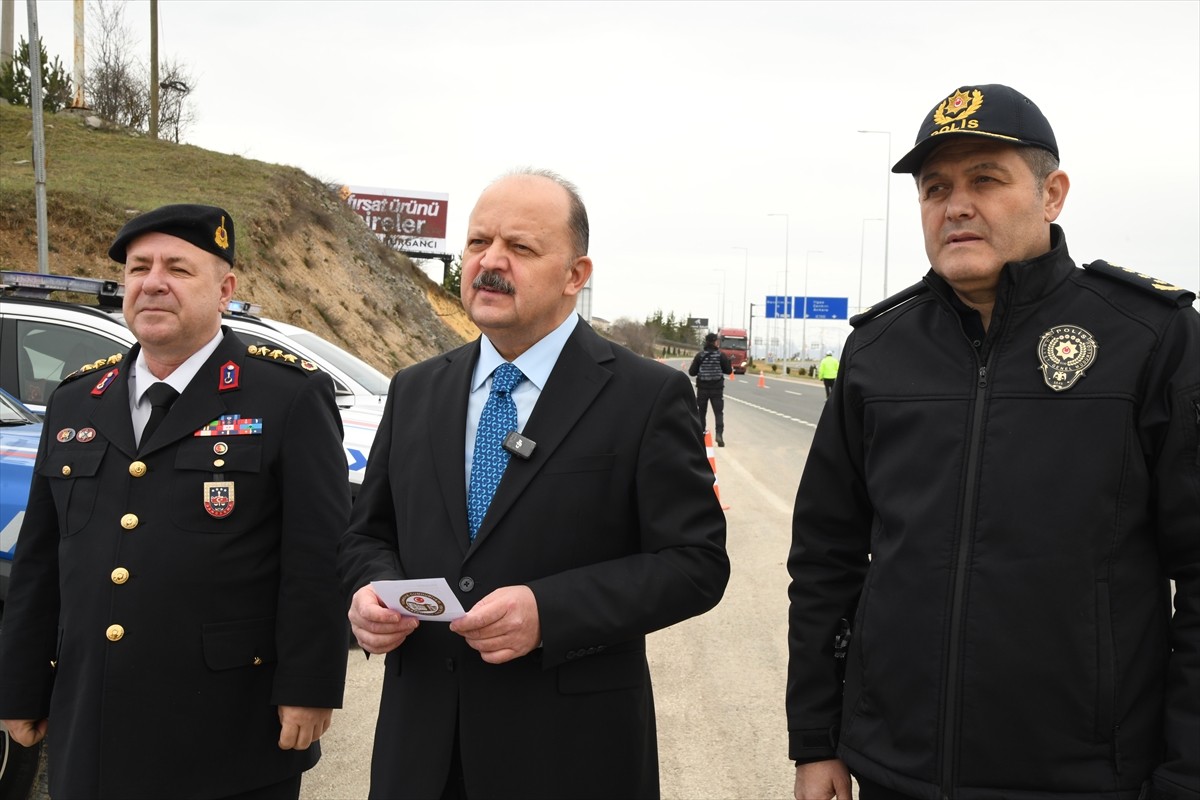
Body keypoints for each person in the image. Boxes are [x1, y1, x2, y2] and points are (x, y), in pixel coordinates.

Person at [787, 84, 1199, 800]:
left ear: (1052, 194)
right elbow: (826, 557)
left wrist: (1186, 775)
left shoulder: (1149, 338)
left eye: (985, 179)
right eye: (935, 188)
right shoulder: (878, 349)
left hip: (1084, 779)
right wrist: (816, 739)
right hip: (895, 768)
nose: (956, 206)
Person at [339, 168, 730, 800]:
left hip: (570, 754)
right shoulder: (415, 389)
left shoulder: (645, 396)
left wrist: (550, 613)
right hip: (420, 753)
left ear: (576, 275)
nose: (490, 262)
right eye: (478, 242)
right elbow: (367, 534)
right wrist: (368, 592)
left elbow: (695, 563)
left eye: (520, 247)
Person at [0, 205, 350, 800]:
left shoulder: (286, 396)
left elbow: (317, 557)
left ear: (225, 290)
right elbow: (39, 562)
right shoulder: (78, 399)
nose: (153, 282)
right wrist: (20, 685)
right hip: (94, 722)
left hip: (225, 726)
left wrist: (309, 686)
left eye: (178, 269)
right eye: (139, 268)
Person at [688, 331, 732, 445]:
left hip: (702, 389)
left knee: (701, 413)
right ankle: (719, 435)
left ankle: (701, 436)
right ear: (715, 342)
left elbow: (692, 372)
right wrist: (729, 362)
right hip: (717, 389)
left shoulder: (700, 355)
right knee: (718, 413)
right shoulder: (721, 355)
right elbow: (728, 371)